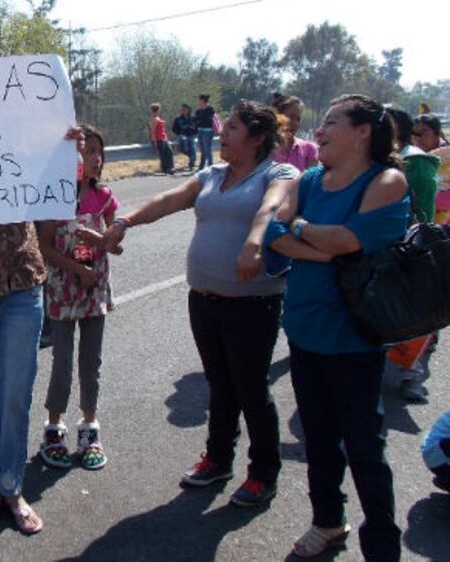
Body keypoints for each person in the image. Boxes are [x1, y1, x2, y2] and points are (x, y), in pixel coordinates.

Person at [91, 100, 297, 507]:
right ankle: (218, 459)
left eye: (233, 128)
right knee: (219, 385)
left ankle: (262, 474)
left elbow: (272, 208)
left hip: (252, 303)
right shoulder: (211, 174)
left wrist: (254, 241)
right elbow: (168, 199)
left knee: (252, 390)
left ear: (257, 137)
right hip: (204, 300)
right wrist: (123, 222)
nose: (222, 132)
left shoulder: (278, 174)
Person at [266, 94, 407, 560]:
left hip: (355, 339)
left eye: (331, 122)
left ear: (363, 131)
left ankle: (382, 547)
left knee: (365, 448)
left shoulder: (385, 180)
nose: (319, 131)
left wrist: (301, 228)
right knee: (320, 440)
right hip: (304, 330)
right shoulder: (309, 179)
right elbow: (272, 232)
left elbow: (349, 240)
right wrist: (318, 245)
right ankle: (328, 522)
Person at [0, 126, 82, 535]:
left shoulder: (28, 142)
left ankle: (12, 488)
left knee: (15, 397)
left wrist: (67, 149)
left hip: (22, 287)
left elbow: (61, 190)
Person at [38, 126, 119, 471]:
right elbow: (43, 247)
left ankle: (89, 429)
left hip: (94, 290)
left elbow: (115, 242)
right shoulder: (54, 197)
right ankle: (53, 429)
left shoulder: (105, 197)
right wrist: (76, 268)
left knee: (91, 363)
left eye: (99, 152)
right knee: (62, 363)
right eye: (88, 151)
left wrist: (102, 240)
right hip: (62, 290)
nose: (95, 158)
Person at [387, 107, 439, 402]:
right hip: (376, 250)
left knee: (413, 314)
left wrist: (415, 250)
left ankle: (411, 375)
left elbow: (425, 215)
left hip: (405, 250)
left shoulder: (416, 162)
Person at [272, 95, 318, 171]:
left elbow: (314, 177)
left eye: (298, 119)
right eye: (290, 117)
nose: (295, 123)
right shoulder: (263, 149)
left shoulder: (309, 149)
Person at [421, 410, 450, 493]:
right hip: (438, 454)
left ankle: (445, 479)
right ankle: (446, 478)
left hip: (435, 451)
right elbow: (444, 444)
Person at [149, 103, 174, 175]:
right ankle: (165, 169)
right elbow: (153, 130)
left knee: (169, 152)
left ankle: (169, 168)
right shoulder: (154, 119)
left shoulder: (157, 117)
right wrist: (154, 140)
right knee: (163, 154)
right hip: (159, 138)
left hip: (163, 137)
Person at [193, 94, 216, 169]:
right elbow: (195, 120)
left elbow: (208, 121)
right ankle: (202, 166)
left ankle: (211, 166)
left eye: (199, 100)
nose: (198, 101)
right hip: (200, 131)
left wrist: (200, 121)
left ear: (203, 100)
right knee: (202, 150)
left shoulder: (210, 109)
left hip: (208, 132)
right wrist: (199, 121)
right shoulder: (198, 111)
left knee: (208, 149)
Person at [172, 104, 197, 170]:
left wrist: (192, 130)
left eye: (185, 109)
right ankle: (191, 157)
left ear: (188, 110)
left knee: (192, 147)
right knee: (184, 141)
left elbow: (196, 127)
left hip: (190, 136)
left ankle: (192, 163)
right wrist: (180, 131)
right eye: (182, 109)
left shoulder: (192, 118)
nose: (183, 110)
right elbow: (174, 129)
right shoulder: (178, 119)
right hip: (181, 136)